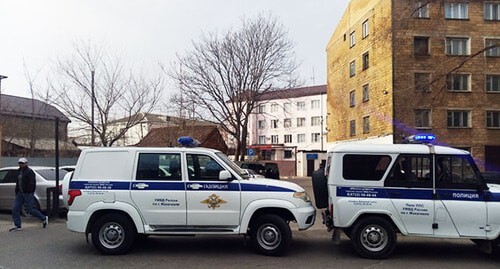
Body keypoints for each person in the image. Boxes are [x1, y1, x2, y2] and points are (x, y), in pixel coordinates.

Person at [9, 158, 48, 232]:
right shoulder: (18, 171)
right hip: (20, 193)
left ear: (26, 163)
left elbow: (32, 183)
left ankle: (43, 218)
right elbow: (18, 182)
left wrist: (29, 191)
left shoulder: (30, 172)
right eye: (20, 163)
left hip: (28, 193)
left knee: (30, 209)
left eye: (23, 163)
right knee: (15, 209)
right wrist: (17, 191)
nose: (21, 164)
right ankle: (18, 225)